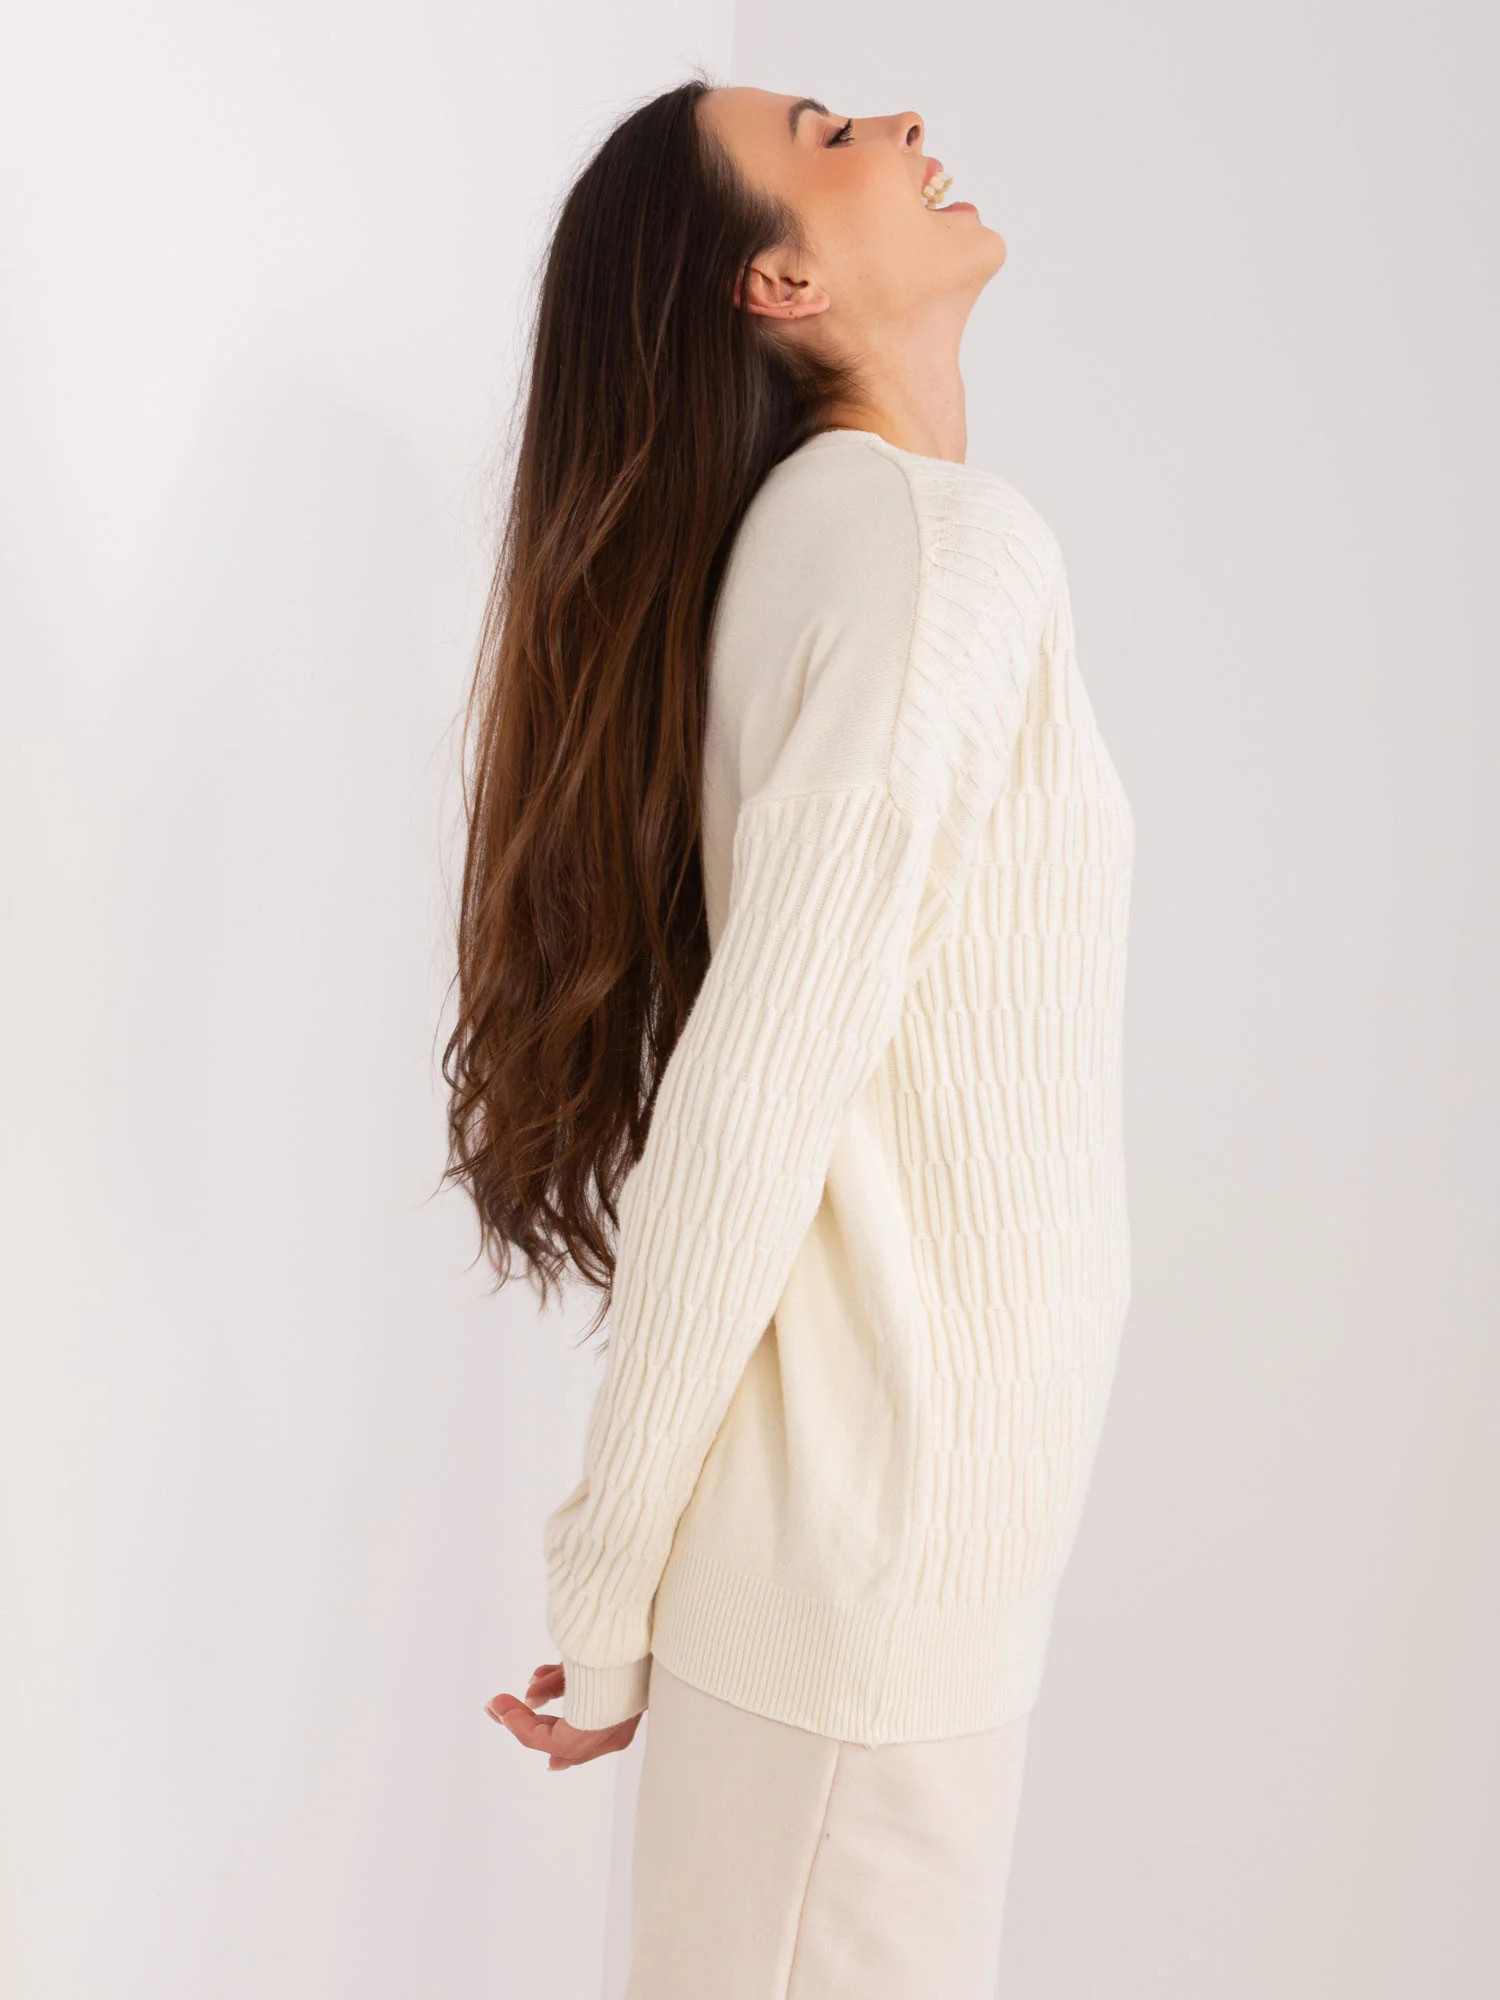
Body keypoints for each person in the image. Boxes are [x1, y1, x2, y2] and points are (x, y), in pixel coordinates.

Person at [445, 72, 1134, 2000]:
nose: (900, 120)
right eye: (828, 134)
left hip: (887, 1565)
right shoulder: (925, 548)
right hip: (865, 1567)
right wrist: (607, 1591)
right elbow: (747, 1114)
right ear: (778, 283)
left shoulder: (860, 544)